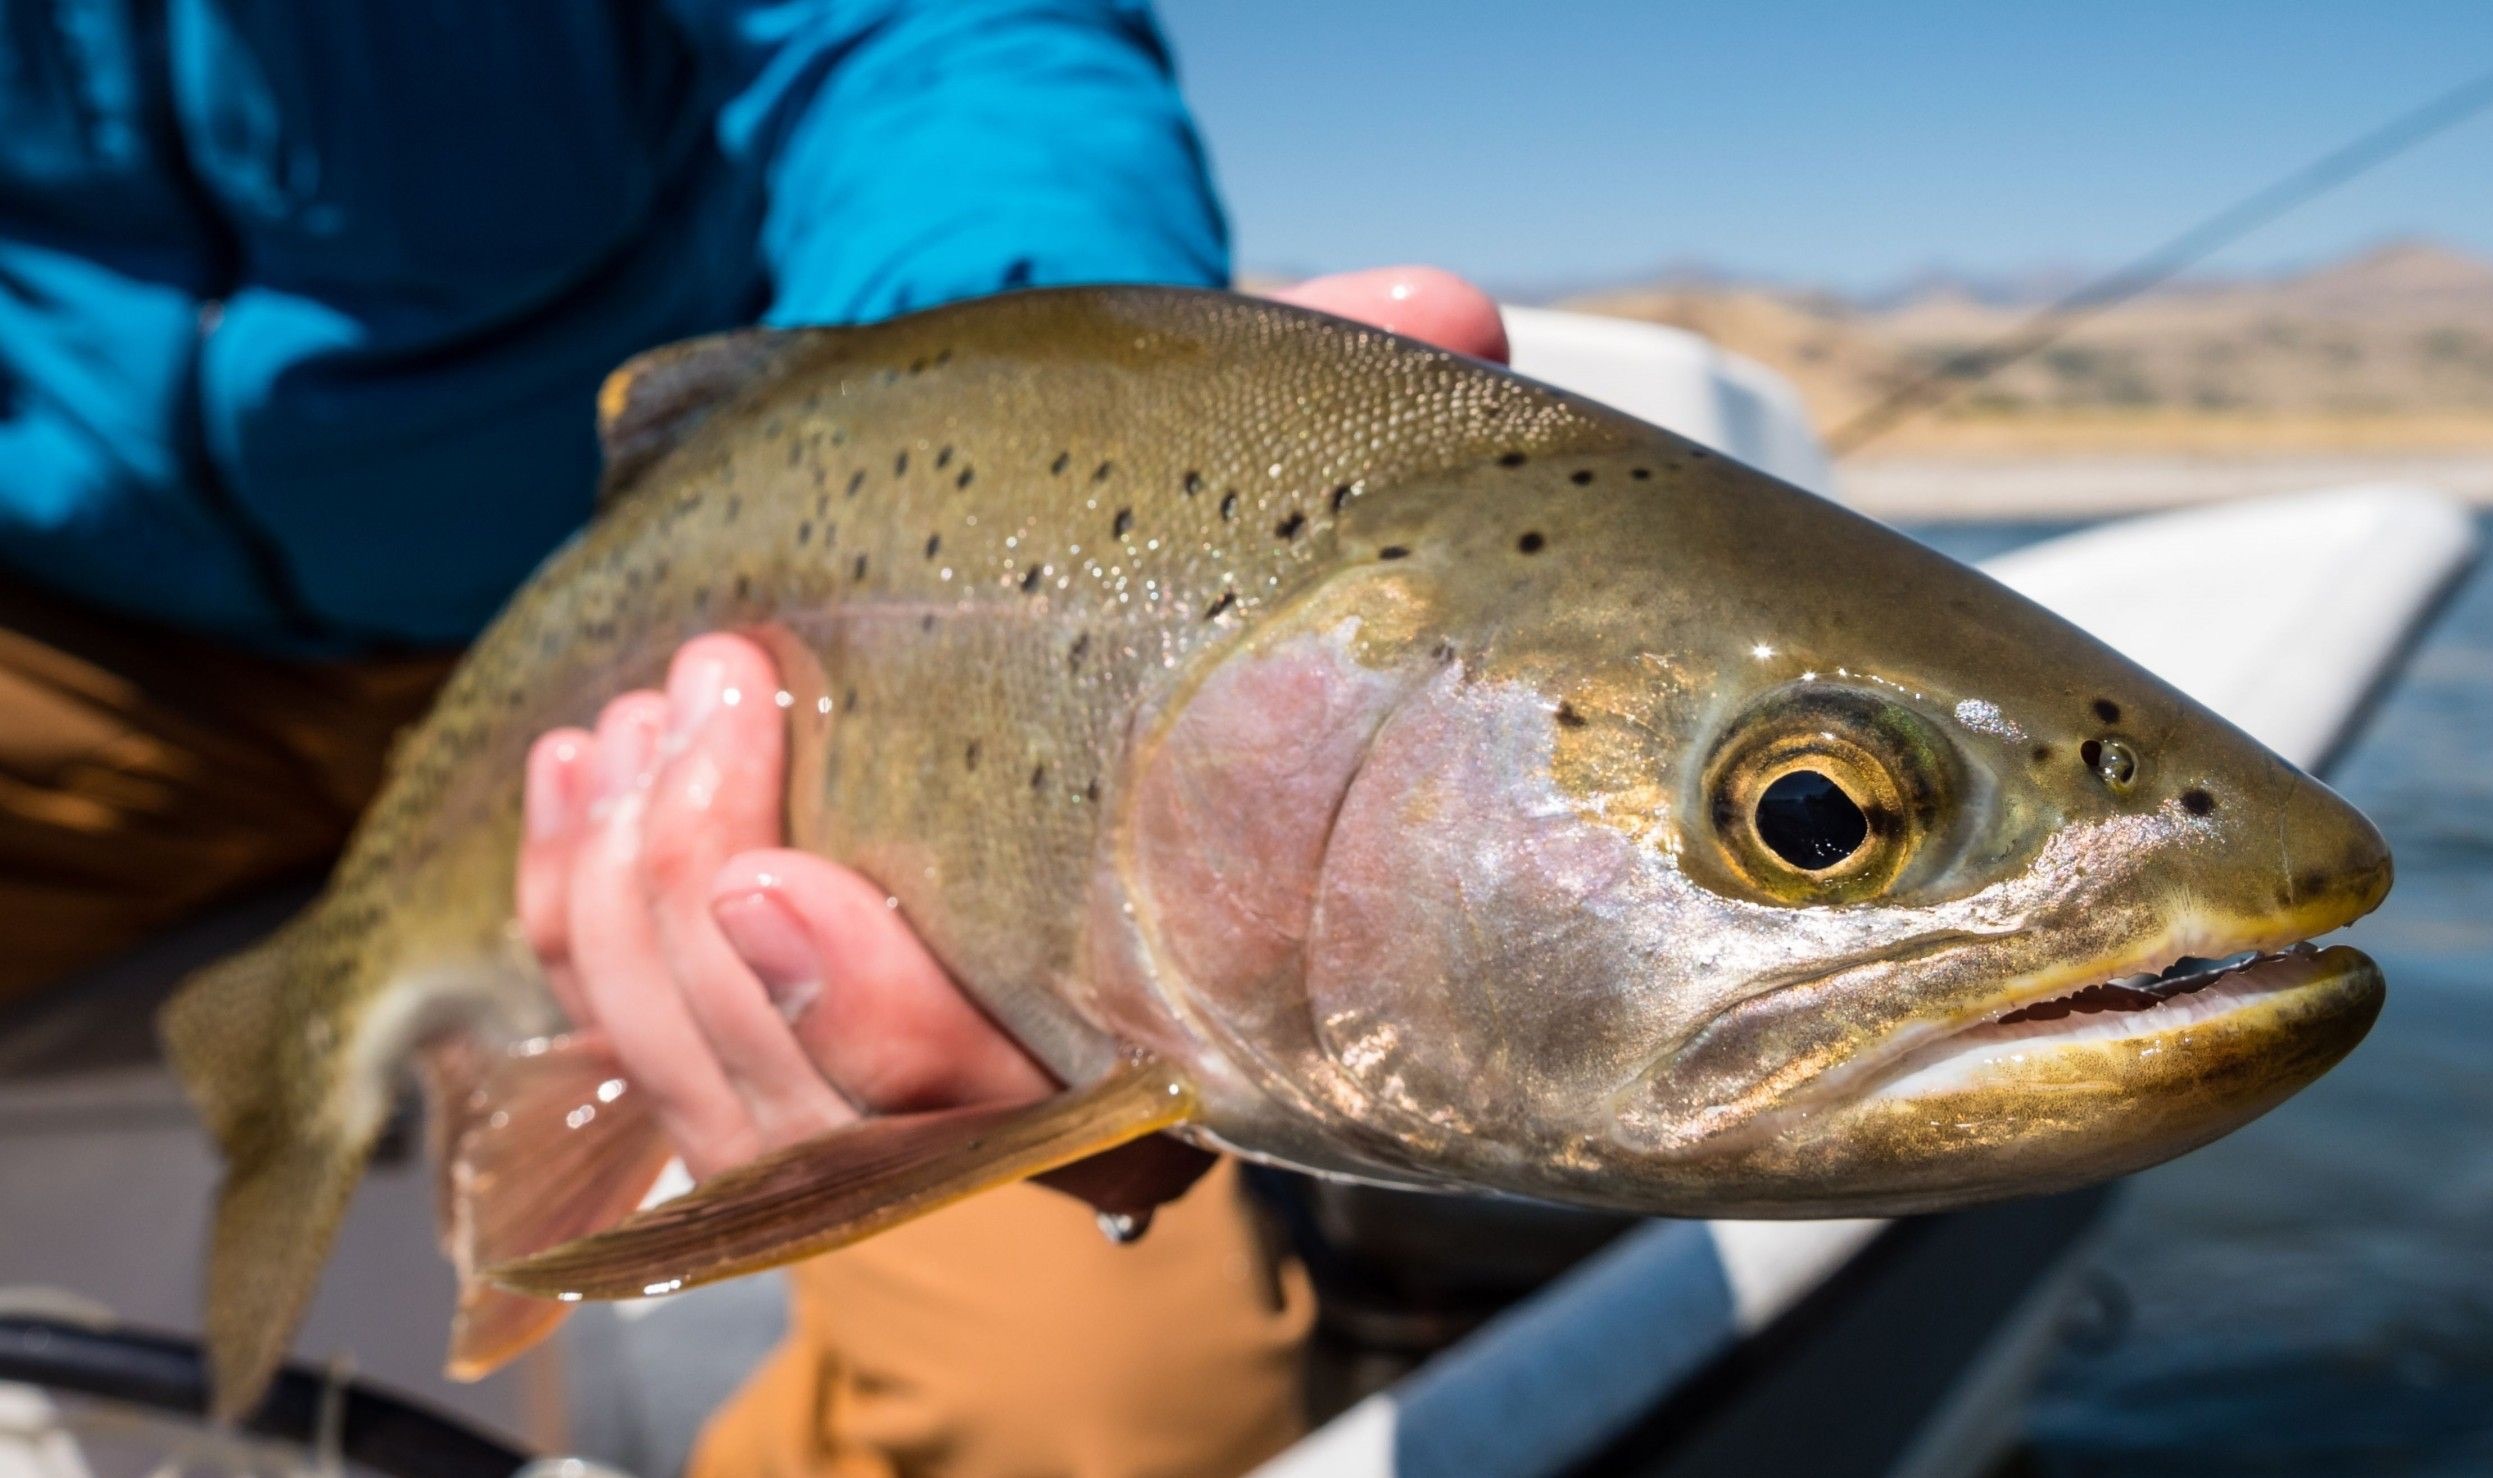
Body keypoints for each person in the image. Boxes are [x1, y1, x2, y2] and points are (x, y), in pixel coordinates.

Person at [0, 4, 1501, 1474]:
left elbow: (934, 38)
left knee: (1101, 1427)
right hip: (82, 632)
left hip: (657, 596)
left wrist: (1054, 416)